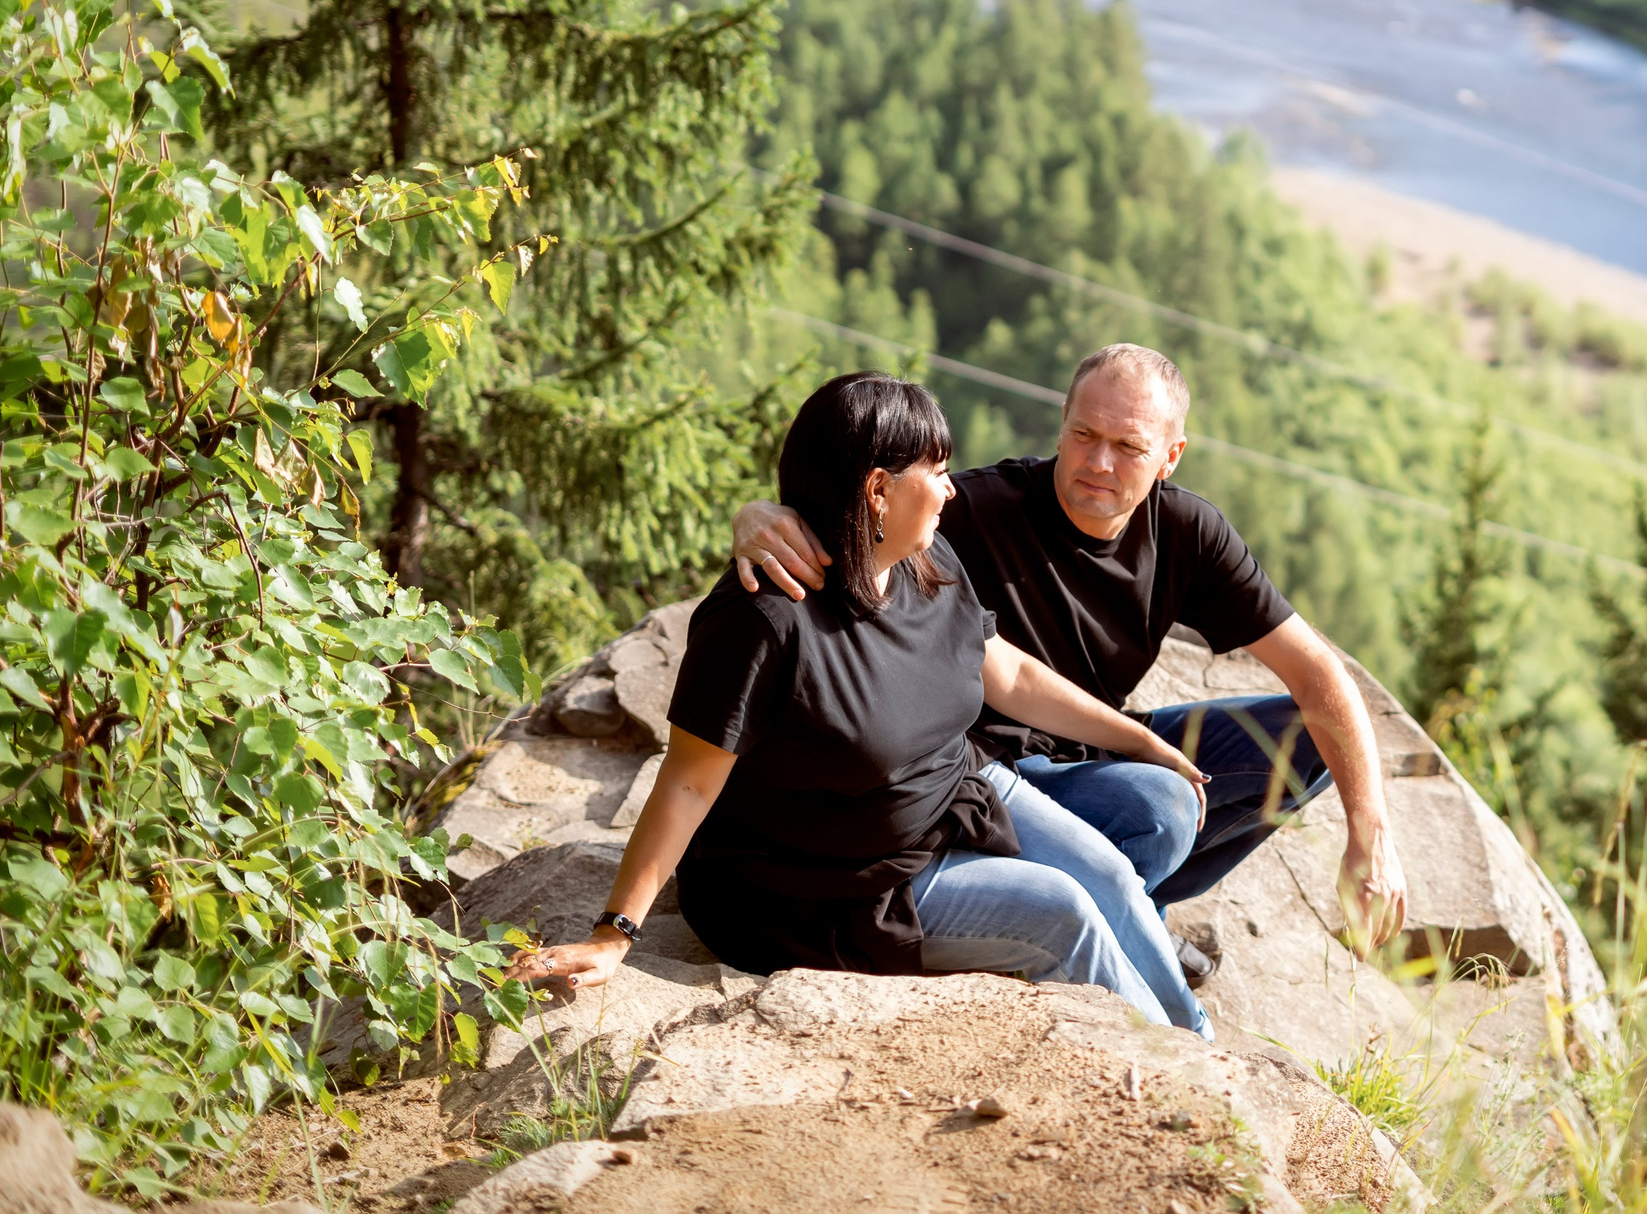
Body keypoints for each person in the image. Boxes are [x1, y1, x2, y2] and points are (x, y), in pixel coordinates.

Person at [511, 372, 1216, 1037]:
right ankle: (1176, 1087)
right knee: (1063, 913)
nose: (951, 492)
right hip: (832, 886)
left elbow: (1006, 673)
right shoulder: (765, 619)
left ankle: (1203, 1047)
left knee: (1111, 879)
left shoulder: (924, 561)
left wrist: (1137, 739)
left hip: (951, 797)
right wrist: (614, 936)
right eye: (936, 474)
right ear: (877, 490)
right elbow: (689, 782)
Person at [731, 344, 1408, 972]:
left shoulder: (1187, 533)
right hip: (979, 780)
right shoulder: (977, 511)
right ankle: (1110, 921)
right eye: (1085, 435)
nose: (1098, 463)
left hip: (1090, 751)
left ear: (1170, 457)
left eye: (1128, 447)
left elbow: (1320, 676)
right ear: (1062, 422)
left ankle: (1135, 910)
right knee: (1162, 807)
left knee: (1304, 736)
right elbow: (862, 511)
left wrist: (1369, 834)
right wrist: (760, 515)